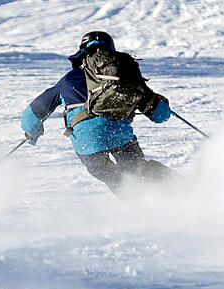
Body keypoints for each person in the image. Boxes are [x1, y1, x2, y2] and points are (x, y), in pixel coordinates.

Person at [20, 31, 177, 193]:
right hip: (120, 137)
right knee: (138, 170)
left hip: (88, 144)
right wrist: (164, 107)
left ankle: (138, 209)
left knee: (117, 180)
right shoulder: (124, 76)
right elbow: (160, 115)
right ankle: (185, 192)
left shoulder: (69, 79)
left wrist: (32, 133)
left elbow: (33, 113)